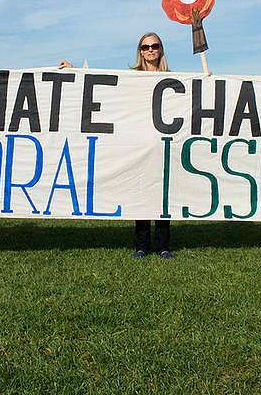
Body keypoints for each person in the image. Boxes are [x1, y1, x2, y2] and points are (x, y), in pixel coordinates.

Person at [60, 32, 175, 259]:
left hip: (162, 146)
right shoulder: (131, 75)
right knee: (142, 195)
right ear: (140, 51)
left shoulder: (173, 78)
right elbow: (105, 82)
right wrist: (77, 71)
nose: (150, 50)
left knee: (162, 197)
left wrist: (206, 79)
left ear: (161, 49)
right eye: (145, 47)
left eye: (154, 46)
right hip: (138, 145)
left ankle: (163, 246)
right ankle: (141, 246)